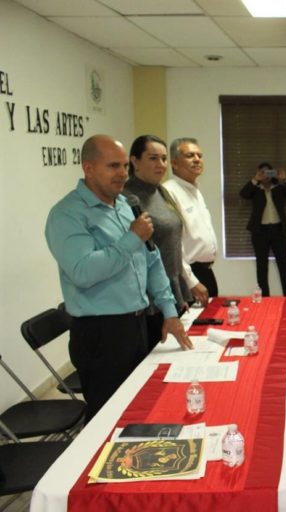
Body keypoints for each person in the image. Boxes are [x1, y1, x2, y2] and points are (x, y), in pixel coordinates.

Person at [45, 135, 193, 423]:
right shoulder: (67, 214)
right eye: (113, 166)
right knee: (108, 422)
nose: (123, 173)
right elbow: (83, 272)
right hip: (101, 333)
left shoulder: (125, 205)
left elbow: (152, 260)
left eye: (125, 165)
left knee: (140, 411)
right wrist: (132, 238)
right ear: (88, 168)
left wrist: (169, 311)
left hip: (137, 324)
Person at [124, 135, 191, 350]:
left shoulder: (161, 192)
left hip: (172, 289)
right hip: (151, 299)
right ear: (134, 161)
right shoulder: (128, 198)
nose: (161, 165)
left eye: (163, 159)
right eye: (153, 158)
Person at [163, 137, 218, 304]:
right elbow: (173, 244)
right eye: (190, 155)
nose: (197, 159)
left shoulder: (195, 190)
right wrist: (191, 282)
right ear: (174, 162)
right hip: (187, 277)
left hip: (205, 272)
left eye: (199, 155)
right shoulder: (169, 192)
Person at [239, 162, 286, 296]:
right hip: (260, 232)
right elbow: (243, 194)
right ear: (258, 173)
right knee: (261, 267)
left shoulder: (279, 187)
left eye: (268, 172)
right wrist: (255, 180)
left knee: (284, 266)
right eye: (262, 172)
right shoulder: (255, 188)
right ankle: (264, 299)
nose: (266, 175)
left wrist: (285, 179)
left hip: (278, 231)